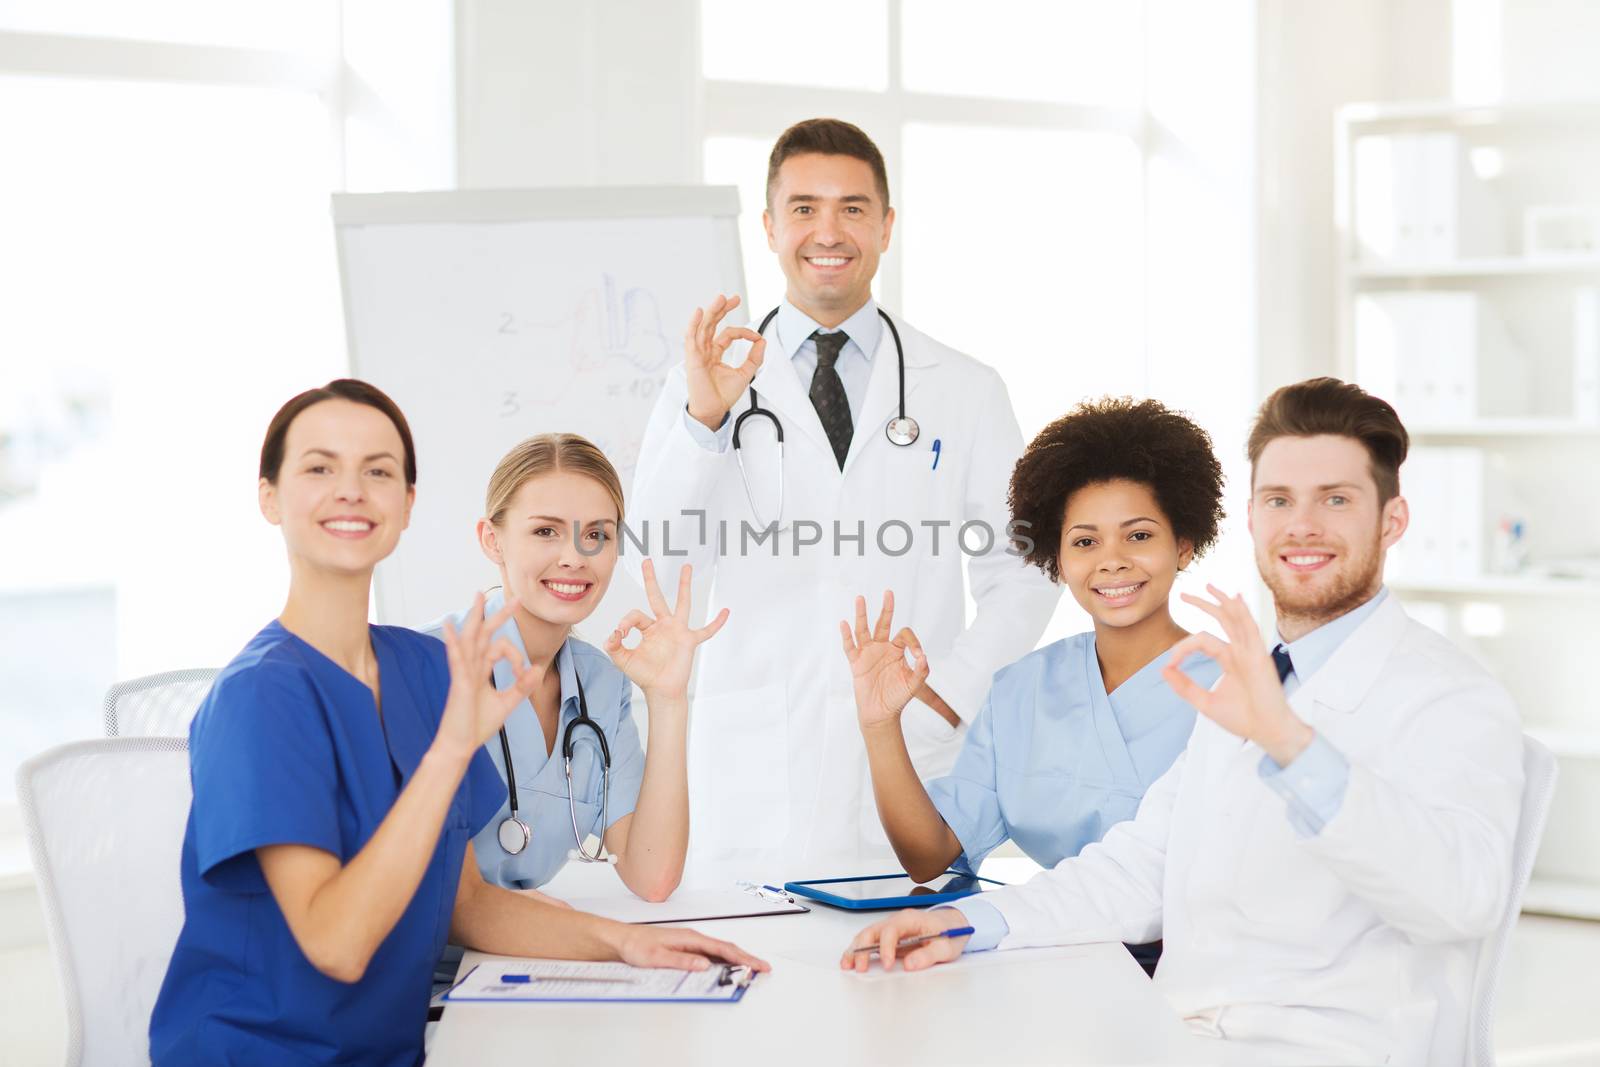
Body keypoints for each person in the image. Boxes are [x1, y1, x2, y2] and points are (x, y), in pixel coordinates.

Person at [840, 377, 1524, 1067]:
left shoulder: (1451, 697)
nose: (1303, 524)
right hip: (1178, 1033)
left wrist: (1290, 744)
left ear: (1392, 520)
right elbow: (1140, 867)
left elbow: (1462, 899)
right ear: (1253, 520)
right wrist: (965, 922)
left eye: (1337, 499)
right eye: (1280, 499)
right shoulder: (1246, 685)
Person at [149, 380, 764, 1067]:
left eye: (378, 470)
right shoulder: (259, 696)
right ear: (269, 495)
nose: (351, 489)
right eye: (320, 467)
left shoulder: (423, 669)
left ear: (407, 503)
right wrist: (449, 747)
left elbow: (468, 903)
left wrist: (624, 943)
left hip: (400, 1046)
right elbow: (339, 943)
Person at [628, 118, 1059, 874]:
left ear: (887, 227)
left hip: (902, 758)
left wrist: (948, 695)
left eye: (853, 208)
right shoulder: (700, 385)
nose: (827, 230)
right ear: (768, 226)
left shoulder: (962, 388)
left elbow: (1024, 570)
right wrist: (705, 422)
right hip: (748, 769)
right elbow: (658, 561)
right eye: (803, 207)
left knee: (902, 978)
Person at [840, 398, 1224, 972]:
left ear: (1184, 546)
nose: (1112, 562)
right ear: (1055, 557)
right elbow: (927, 856)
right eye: (1085, 542)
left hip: (1192, 972)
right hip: (1047, 955)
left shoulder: (1238, 691)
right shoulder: (1022, 690)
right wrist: (880, 725)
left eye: (1139, 536)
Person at [426, 434, 716, 901]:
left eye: (596, 535)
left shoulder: (601, 684)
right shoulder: (425, 665)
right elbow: (439, 894)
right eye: (546, 531)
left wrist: (667, 701)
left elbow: (653, 875)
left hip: (519, 959)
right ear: (492, 540)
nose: (574, 558)